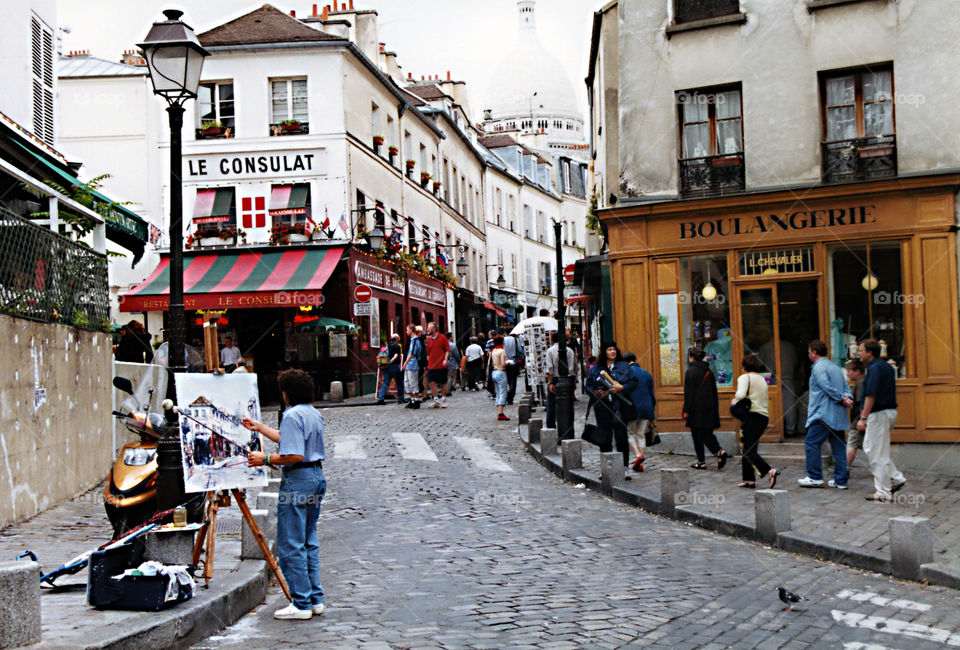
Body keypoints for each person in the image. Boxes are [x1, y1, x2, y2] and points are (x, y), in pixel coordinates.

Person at [243, 369, 326, 620]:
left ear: (287, 393)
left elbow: (293, 454)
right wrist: (260, 427)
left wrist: (264, 458)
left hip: (298, 480)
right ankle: (315, 600)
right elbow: (288, 440)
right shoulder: (313, 413)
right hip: (316, 478)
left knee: (291, 542)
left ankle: (300, 603)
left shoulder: (291, 415)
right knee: (308, 540)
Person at [798, 340, 854, 489]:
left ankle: (815, 477)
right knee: (839, 447)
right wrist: (847, 397)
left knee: (811, 443)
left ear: (814, 353)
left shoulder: (818, 368)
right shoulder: (835, 367)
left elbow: (826, 387)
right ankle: (841, 480)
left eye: (809, 352)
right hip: (838, 414)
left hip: (822, 413)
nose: (809, 354)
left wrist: (841, 398)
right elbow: (845, 385)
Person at [857, 339, 907, 502]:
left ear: (869, 353)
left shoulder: (874, 369)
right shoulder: (886, 366)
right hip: (889, 412)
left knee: (877, 453)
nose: (858, 353)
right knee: (872, 448)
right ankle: (896, 477)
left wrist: (863, 417)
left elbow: (871, 395)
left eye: (861, 350)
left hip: (878, 414)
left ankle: (883, 491)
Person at [585, 342, 637, 468]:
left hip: (620, 407)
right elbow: (588, 386)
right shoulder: (596, 368)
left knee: (621, 438)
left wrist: (622, 387)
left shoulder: (624, 366)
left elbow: (634, 382)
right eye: (609, 349)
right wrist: (596, 393)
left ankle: (623, 468)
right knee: (604, 438)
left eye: (614, 349)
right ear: (604, 352)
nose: (612, 352)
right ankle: (607, 468)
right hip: (603, 408)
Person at [733, 354, 779, 489]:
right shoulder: (762, 379)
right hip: (763, 416)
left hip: (751, 416)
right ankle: (748, 479)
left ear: (744, 367)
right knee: (751, 447)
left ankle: (769, 471)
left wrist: (734, 401)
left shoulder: (744, 377)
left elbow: (740, 395)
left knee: (747, 449)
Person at [683, 347, 729, 471]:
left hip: (696, 408)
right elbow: (714, 392)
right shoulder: (709, 371)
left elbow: (689, 393)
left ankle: (702, 461)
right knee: (707, 433)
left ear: (692, 357)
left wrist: (686, 409)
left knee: (697, 434)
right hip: (709, 408)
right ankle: (719, 451)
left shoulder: (691, 372)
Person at [622, 351, 656, 473]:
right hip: (646, 407)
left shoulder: (626, 373)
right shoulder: (646, 373)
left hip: (632, 408)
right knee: (641, 434)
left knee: (630, 433)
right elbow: (651, 392)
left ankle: (638, 456)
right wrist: (653, 408)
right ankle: (640, 462)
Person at [545, 331, 576, 430]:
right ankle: (568, 428)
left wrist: (550, 382)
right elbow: (575, 367)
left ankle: (551, 428)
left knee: (552, 405)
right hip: (569, 378)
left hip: (556, 379)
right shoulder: (570, 350)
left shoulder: (550, 351)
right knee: (568, 405)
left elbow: (549, 369)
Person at [844, 359, 866, 470]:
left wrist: (862, 419)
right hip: (861, 419)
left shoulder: (860, 383)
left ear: (857, 371)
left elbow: (862, 403)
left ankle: (844, 468)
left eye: (849, 371)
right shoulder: (861, 382)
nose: (847, 374)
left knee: (852, 443)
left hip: (858, 419)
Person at [425, 322, 450, 408]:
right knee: (431, 382)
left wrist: (445, 359)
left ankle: (443, 400)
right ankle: (436, 400)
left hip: (441, 364)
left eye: (429, 327)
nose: (427, 329)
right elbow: (428, 353)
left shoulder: (443, 337)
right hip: (432, 365)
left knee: (443, 382)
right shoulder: (429, 339)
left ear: (434, 329)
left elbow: (447, 350)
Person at [376, 333, 404, 405]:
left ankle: (381, 399)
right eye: (399, 338)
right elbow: (395, 356)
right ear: (397, 339)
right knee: (400, 382)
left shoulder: (387, 345)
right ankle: (400, 398)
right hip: (394, 366)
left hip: (386, 368)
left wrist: (386, 364)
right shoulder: (397, 347)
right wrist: (389, 363)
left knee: (385, 383)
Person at [402, 324, 423, 409]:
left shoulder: (415, 341)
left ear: (411, 330)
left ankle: (416, 401)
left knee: (413, 383)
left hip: (413, 364)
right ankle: (412, 399)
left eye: (407, 330)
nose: (406, 331)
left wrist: (405, 363)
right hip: (408, 365)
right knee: (407, 383)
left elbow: (412, 353)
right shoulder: (411, 341)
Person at [501, 328, 524, 404]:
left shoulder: (503, 340)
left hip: (504, 361)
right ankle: (511, 396)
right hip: (513, 361)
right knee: (513, 380)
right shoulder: (515, 340)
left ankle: (506, 395)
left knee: (505, 379)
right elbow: (520, 350)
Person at [490, 335, 510, 421]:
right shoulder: (502, 351)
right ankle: (500, 413)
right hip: (501, 372)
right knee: (503, 392)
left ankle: (499, 411)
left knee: (498, 392)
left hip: (494, 372)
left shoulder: (493, 351)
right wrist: (508, 363)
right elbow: (503, 364)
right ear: (501, 342)